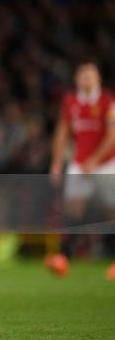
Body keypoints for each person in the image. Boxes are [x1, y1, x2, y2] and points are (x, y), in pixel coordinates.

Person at [47, 61, 115, 279]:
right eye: (82, 75)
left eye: (90, 75)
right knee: (73, 208)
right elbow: (62, 132)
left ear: (98, 79)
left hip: (106, 163)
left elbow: (112, 135)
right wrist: (57, 162)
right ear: (77, 79)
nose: (86, 79)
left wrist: (95, 160)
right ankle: (63, 258)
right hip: (79, 161)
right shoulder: (71, 101)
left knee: (110, 210)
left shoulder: (107, 101)